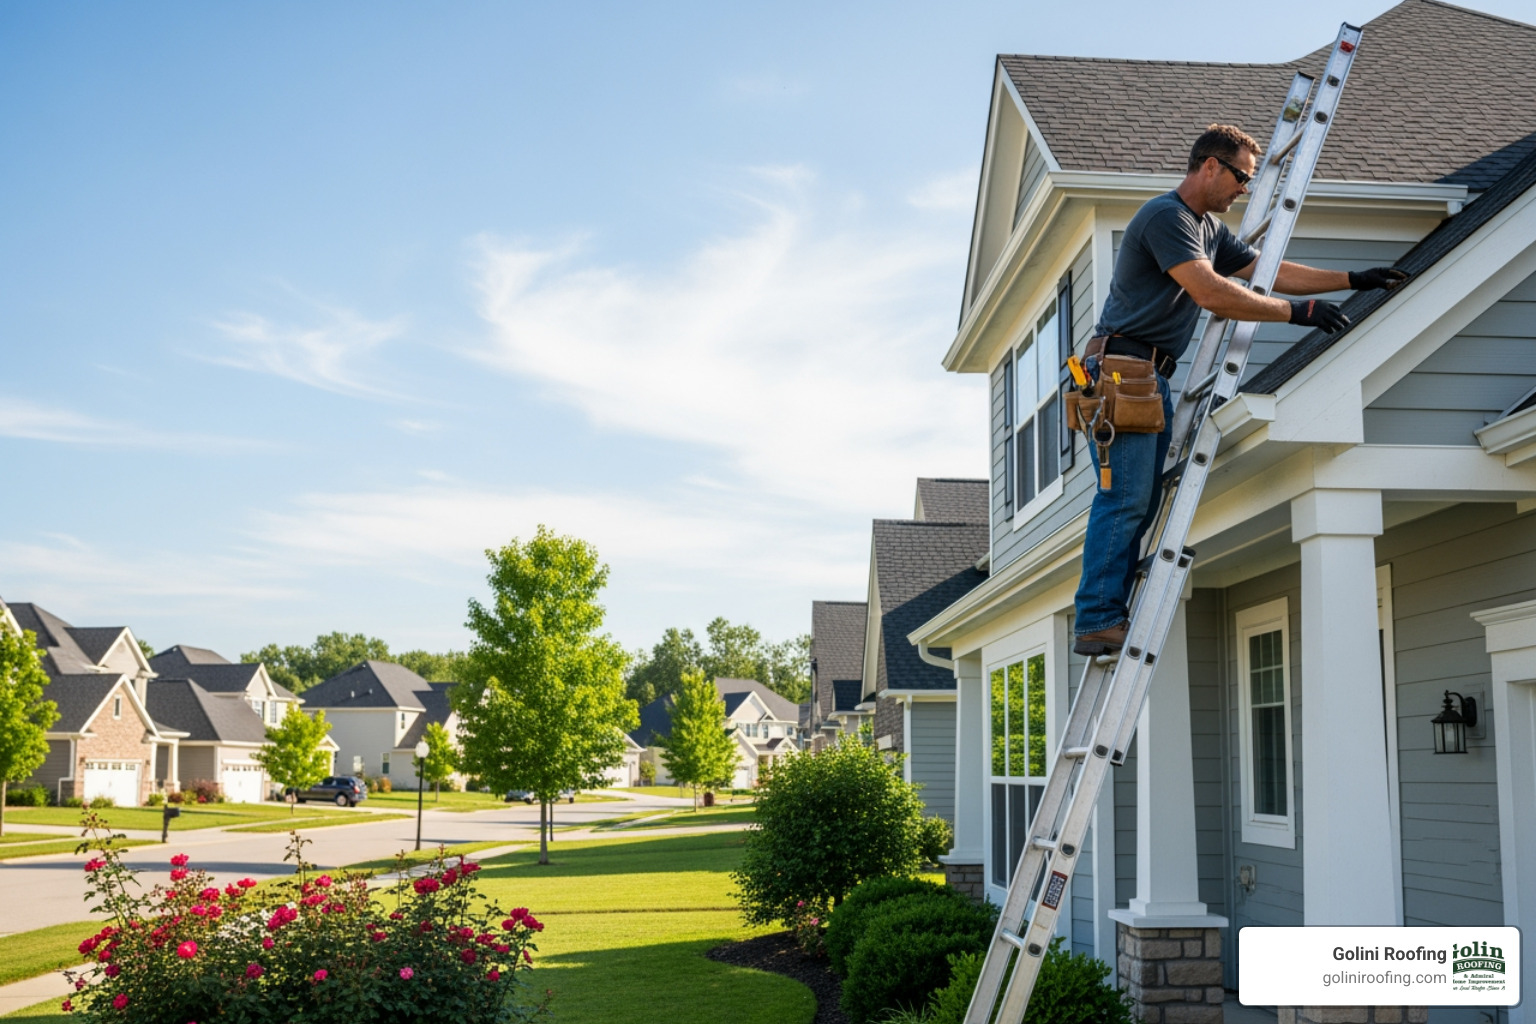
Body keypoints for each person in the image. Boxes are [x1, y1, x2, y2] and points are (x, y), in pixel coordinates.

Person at [1072, 124, 1407, 656]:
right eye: (1241, 178)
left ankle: (1105, 612)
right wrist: (1299, 316)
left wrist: (1352, 278)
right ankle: (1095, 620)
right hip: (1120, 370)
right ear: (1209, 165)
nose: (1244, 190)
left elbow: (1266, 272)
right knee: (1127, 497)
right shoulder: (1168, 217)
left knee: (1142, 497)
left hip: (1144, 373)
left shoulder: (1205, 228)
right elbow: (1211, 293)